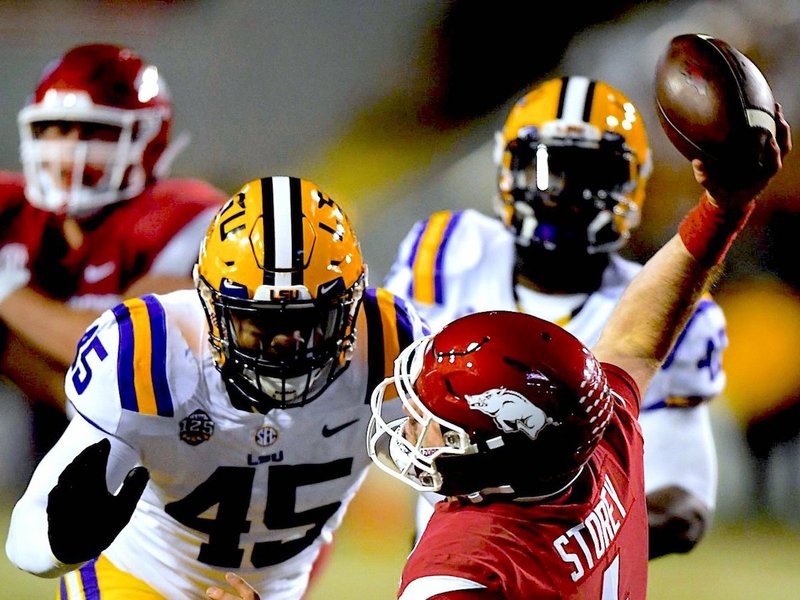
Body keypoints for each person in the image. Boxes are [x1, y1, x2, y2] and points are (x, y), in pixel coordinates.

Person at [366, 103, 790, 598]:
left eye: (432, 416)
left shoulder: (459, 569)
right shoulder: (598, 444)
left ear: (492, 451)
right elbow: (636, 340)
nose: (412, 427)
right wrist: (722, 209)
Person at [5, 175, 429, 599]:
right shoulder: (150, 351)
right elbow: (28, 537)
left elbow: (455, 490)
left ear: (352, 307)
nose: (285, 348)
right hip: (142, 578)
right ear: (210, 306)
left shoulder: (392, 344)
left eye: (310, 323)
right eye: (259, 323)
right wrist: (61, 541)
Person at [0, 42, 229, 459]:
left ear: (148, 139)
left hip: (184, 455)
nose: (69, 150)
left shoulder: (177, 218)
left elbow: (121, 350)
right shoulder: (13, 211)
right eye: (57, 128)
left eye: (93, 131)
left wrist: (6, 292)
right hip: (66, 426)